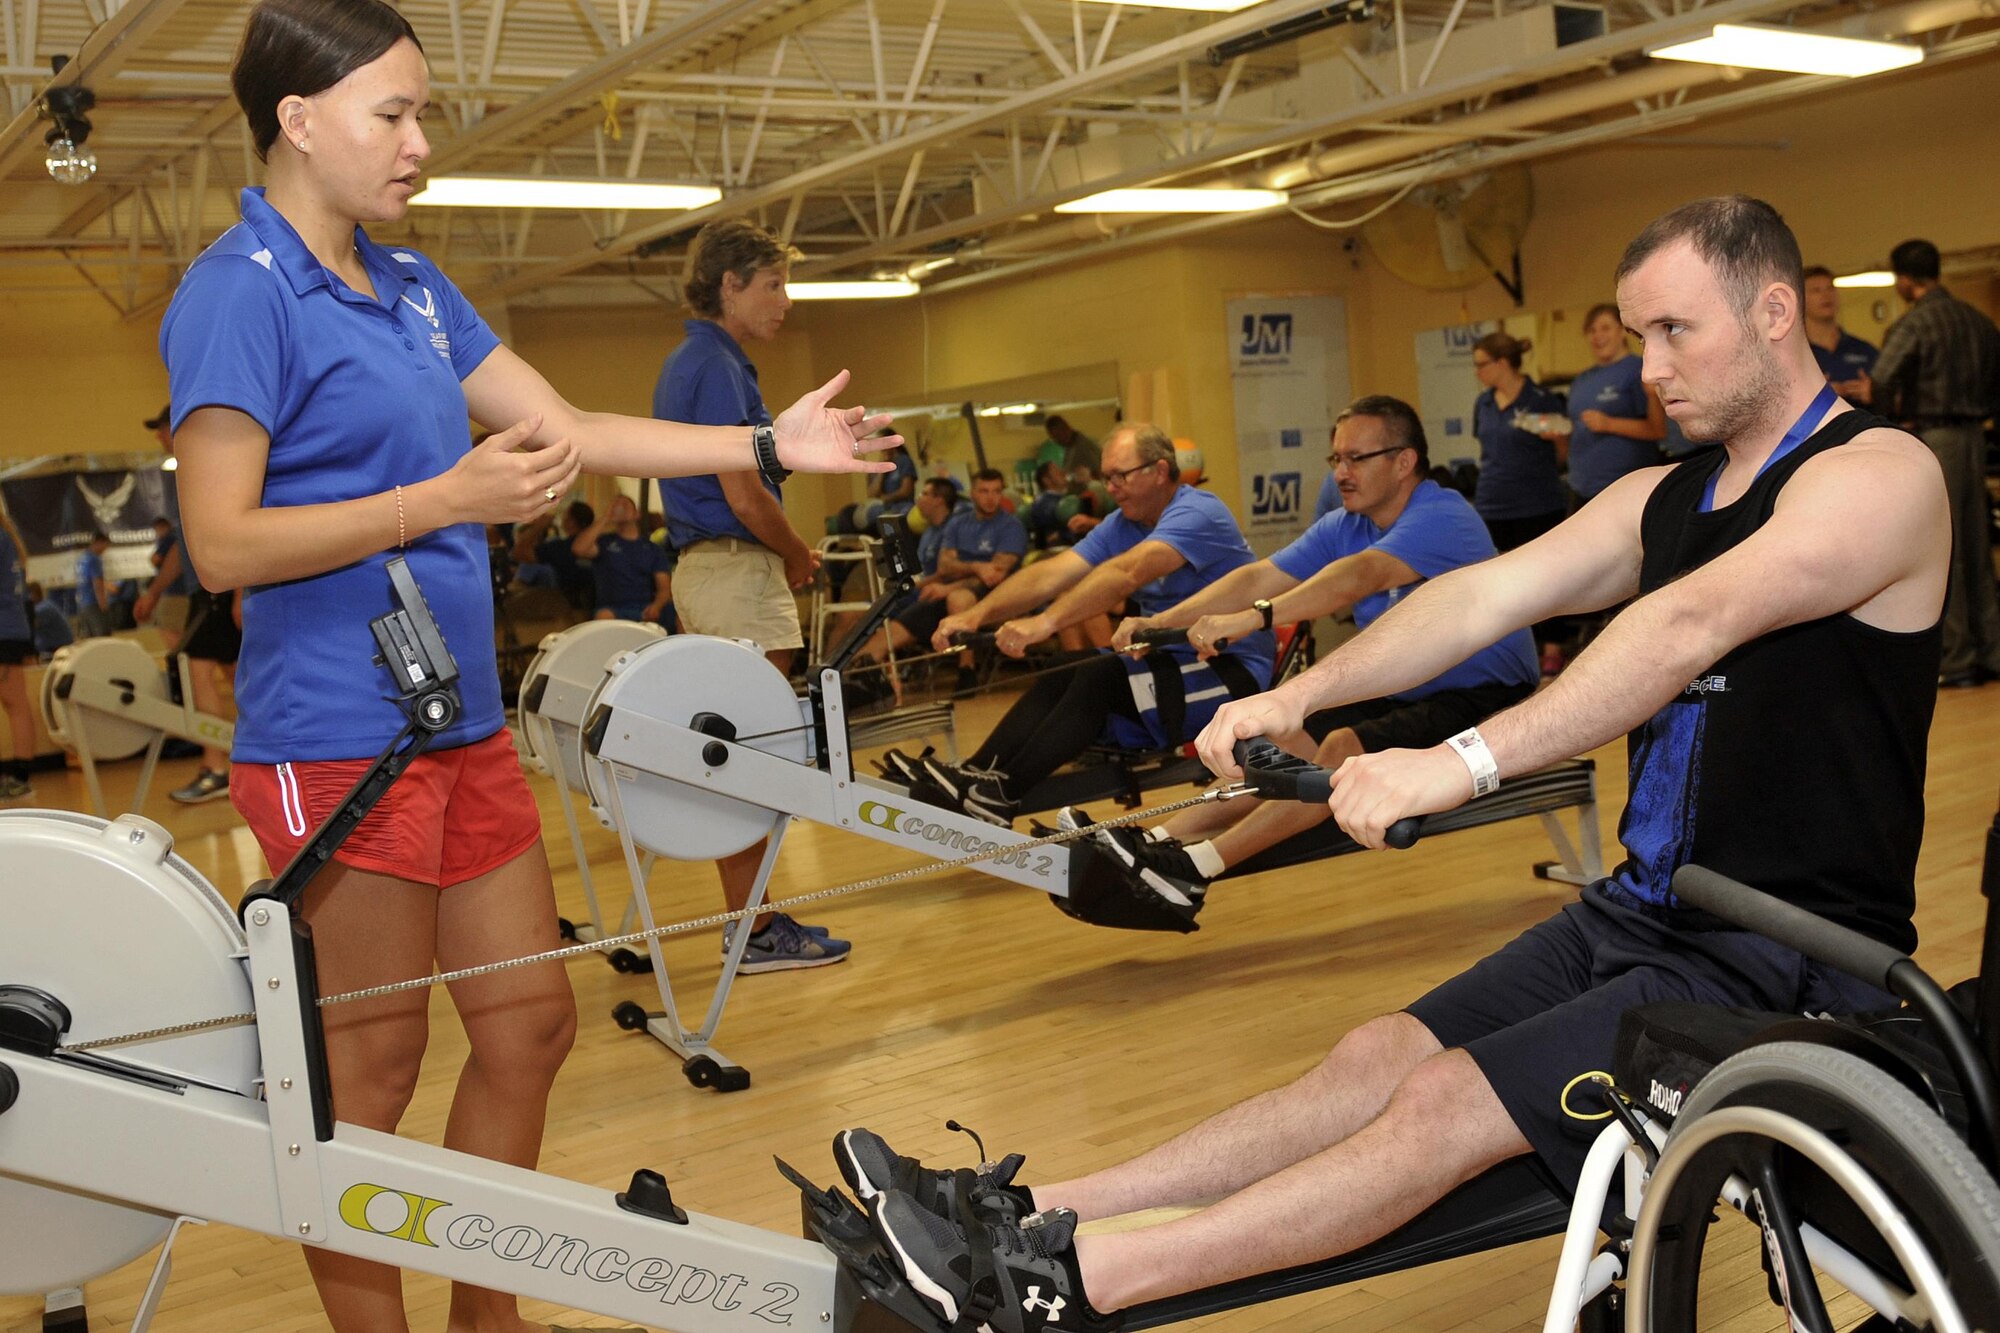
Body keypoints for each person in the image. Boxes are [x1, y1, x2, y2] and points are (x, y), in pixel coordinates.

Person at [839, 195, 1948, 1333]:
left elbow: (1685, 628)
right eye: (1636, 334)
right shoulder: (1661, 495)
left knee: (1434, 1103)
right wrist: (1298, 691)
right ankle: (1024, 1211)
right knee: (1371, 1056)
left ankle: (1063, 1287)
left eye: (1675, 333)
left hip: (1785, 954)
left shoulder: (1876, 476)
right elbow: (1476, 596)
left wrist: (1457, 761)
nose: (1647, 369)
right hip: (1640, 912)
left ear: (1773, 312)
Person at [159, 3, 893, 1328]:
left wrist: (763, 447)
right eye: (393, 113)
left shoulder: (416, 288)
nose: (420, 143)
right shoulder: (237, 291)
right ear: (300, 120)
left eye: (423, 111)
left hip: (462, 724)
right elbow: (219, 544)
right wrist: (442, 498)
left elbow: (573, 425)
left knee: (528, 1025)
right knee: (372, 1059)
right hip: (335, 734)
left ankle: (482, 1311)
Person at [1096, 395, 1537, 899]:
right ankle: (1155, 839)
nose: (1341, 473)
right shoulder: (1348, 523)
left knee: (1340, 749)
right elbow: (1261, 574)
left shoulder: (1442, 514)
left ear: (1403, 461)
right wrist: (1161, 622)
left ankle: (1195, 868)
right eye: (1336, 460)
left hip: (1490, 694)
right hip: (1409, 683)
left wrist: (1257, 616)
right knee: (1281, 745)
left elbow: (1358, 576)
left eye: (1356, 459)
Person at [655, 215, 848, 972]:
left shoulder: (697, 361)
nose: (786, 300)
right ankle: (756, 927)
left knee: (738, 752)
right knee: (750, 756)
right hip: (734, 566)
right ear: (730, 285)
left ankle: (755, 919)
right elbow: (742, 490)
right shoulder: (717, 365)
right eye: (773, 284)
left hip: (714, 569)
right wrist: (798, 552)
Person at [914, 424, 1276, 826]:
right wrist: (975, 614)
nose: (1111, 487)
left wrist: (1046, 622)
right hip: (1172, 661)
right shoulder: (1124, 522)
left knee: (1100, 676)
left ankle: (1002, 795)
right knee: (1067, 668)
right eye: (1107, 478)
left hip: (1230, 669)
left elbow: (1127, 572)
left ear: (1158, 471)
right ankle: (976, 775)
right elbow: (1053, 574)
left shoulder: (1198, 512)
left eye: (1120, 475)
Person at [1861, 238, 2000, 688]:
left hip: (1937, 439)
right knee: (1978, 548)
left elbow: (1882, 377)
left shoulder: (1916, 323)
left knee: (1947, 546)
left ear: (1903, 279)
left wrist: (1889, 419)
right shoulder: (1978, 321)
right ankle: (1992, 650)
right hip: (1977, 437)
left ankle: (1958, 659)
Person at [1469, 332, 1567, 674]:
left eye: (1482, 364)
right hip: (1493, 505)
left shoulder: (1541, 398)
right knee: (1501, 586)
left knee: (1546, 581)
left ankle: (1552, 649)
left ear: (1502, 363)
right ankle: (1513, 655)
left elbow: (1563, 452)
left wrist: (1554, 439)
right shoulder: (1482, 404)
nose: (1477, 372)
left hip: (1538, 504)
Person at [932, 468, 1029, 694]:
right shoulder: (958, 523)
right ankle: (966, 669)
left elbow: (994, 576)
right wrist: (976, 566)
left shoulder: (1011, 526)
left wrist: (953, 580)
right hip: (959, 591)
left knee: (957, 597)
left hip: (1002, 595)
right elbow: (944, 566)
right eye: (984, 491)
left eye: (996, 491)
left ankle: (967, 670)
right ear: (973, 494)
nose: (991, 497)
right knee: (950, 600)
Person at [1564, 302, 1666, 506]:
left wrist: (1609, 424)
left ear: (1621, 331)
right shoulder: (1581, 380)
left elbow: (1657, 430)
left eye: (1605, 328)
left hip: (1624, 488)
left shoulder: (1639, 370)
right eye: (1592, 330)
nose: (1597, 336)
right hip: (1581, 486)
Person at [573, 493, 672, 627]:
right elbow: (579, 549)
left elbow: (664, 588)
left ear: (637, 514)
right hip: (613, 609)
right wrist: (606, 517)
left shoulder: (653, 549)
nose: (620, 508)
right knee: (603, 616)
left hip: (645, 608)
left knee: (681, 615)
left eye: (625, 505)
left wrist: (656, 606)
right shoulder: (604, 543)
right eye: (616, 505)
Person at [0, 507, 38, 801]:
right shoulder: (8, 537)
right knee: (16, 703)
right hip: (12, 629)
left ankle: (20, 776)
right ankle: (20, 775)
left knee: (15, 703)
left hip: (4, 630)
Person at [1801, 265, 1877, 403]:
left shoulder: (1865, 350)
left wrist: (1875, 393)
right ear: (1800, 298)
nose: (1826, 295)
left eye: (1830, 288)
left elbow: (1896, 398)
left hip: (1864, 421)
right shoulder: (1794, 354)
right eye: (1816, 290)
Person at [510, 498, 595, 608]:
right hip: (592, 602)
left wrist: (540, 525)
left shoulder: (561, 547)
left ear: (571, 522)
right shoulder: (599, 544)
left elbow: (518, 553)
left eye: (564, 515)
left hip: (566, 604)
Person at [73, 530, 112, 638]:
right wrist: (103, 603)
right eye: (105, 546)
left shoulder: (82, 559)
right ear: (99, 543)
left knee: (89, 637)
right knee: (101, 636)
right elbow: (97, 583)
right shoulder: (94, 559)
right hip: (93, 602)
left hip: (82, 603)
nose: (105, 550)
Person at [1037, 414, 1101, 481]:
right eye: (1054, 438)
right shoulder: (1070, 446)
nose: (1057, 441)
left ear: (1065, 430)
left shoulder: (1083, 447)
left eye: (1057, 436)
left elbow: (1099, 472)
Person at [28, 582, 72, 659]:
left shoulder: (42, 609)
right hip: (55, 645)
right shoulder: (46, 604)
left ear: (33, 594)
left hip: (58, 647)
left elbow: (30, 626)